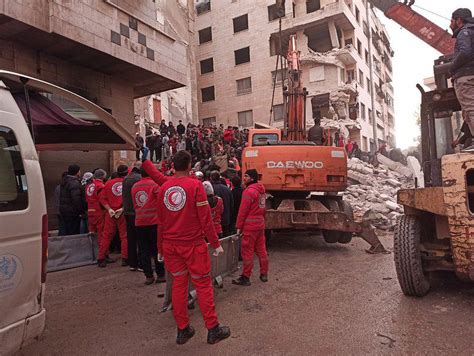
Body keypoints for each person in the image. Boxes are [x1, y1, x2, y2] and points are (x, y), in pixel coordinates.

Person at [142, 150, 230, 345]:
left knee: (179, 287)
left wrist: (160, 248)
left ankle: (182, 330)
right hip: (193, 246)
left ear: (173, 165)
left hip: (171, 246)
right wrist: (215, 244)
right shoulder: (195, 186)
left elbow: (161, 222)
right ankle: (212, 329)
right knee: (203, 286)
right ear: (190, 165)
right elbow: (205, 219)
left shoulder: (165, 187)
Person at [232, 169, 268, 286]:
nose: (244, 178)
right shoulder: (262, 191)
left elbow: (243, 211)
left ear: (251, 178)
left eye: (246, 176)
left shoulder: (248, 192)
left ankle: (245, 277)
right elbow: (263, 209)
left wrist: (238, 226)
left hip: (250, 227)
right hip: (260, 225)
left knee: (247, 252)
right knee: (261, 250)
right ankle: (264, 273)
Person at [132, 166, 165, 285]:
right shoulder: (155, 185)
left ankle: (148, 276)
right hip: (154, 222)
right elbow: (161, 202)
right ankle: (160, 274)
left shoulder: (135, 187)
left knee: (143, 250)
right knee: (157, 249)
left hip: (139, 222)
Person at [450, 8, 474, 146]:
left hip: (465, 76)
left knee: (471, 109)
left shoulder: (464, 32)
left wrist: (452, 66)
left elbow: (465, 52)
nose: (450, 24)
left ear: (459, 20)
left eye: (452, 21)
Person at [98, 165, 129, 267]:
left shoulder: (108, 184)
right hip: (122, 213)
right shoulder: (127, 183)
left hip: (110, 213)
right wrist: (123, 208)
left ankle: (101, 258)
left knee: (106, 236)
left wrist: (109, 209)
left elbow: (102, 198)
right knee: (124, 236)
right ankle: (125, 258)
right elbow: (129, 199)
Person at [122, 162, 142, 271]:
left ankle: (132, 263)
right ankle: (140, 263)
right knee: (141, 239)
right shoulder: (139, 179)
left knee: (131, 238)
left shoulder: (126, 179)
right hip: (137, 213)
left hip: (127, 212)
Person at [59, 164, 86, 235]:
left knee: (66, 231)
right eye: (79, 171)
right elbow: (76, 199)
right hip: (72, 213)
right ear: (76, 172)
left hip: (65, 211)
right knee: (73, 231)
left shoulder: (65, 181)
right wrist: (81, 211)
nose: (80, 172)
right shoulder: (74, 183)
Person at [85, 169, 107, 256]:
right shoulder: (101, 186)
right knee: (101, 235)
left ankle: (92, 254)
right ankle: (103, 255)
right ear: (103, 176)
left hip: (90, 211)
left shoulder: (89, 186)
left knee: (92, 233)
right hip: (99, 212)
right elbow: (102, 200)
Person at [210, 171, 234, 237]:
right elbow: (232, 205)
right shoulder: (227, 189)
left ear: (211, 178)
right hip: (226, 219)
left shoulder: (210, 189)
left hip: (214, 221)